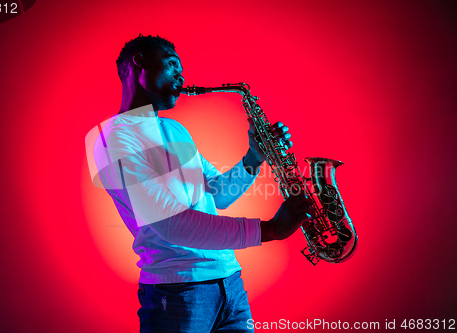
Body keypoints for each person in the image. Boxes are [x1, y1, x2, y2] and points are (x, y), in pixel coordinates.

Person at [90, 34, 314, 333]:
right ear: (139, 62)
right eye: (171, 64)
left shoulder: (175, 129)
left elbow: (217, 195)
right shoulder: (115, 137)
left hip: (230, 283)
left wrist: (253, 157)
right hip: (177, 293)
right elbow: (171, 224)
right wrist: (270, 229)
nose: (181, 75)